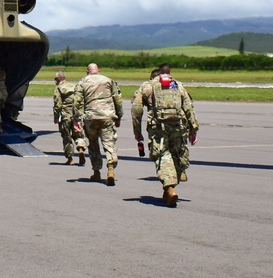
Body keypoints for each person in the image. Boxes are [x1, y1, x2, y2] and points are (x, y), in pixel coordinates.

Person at [132, 64, 199, 207]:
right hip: (178, 126)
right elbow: (189, 107)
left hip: (158, 127)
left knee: (162, 155)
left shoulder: (147, 87)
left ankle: (169, 187)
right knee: (178, 154)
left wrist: (137, 131)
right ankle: (172, 184)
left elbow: (136, 109)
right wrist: (193, 129)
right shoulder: (177, 85)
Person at [73, 63, 123, 185]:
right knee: (109, 142)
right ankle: (111, 166)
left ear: (87, 71)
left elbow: (77, 102)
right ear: (98, 70)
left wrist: (76, 119)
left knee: (93, 144)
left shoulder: (82, 82)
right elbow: (117, 99)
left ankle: (96, 172)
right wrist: (118, 116)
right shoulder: (108, 80)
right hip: (107, 115)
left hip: (91, 117)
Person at [52, 71, 86, 165]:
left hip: (65, 116)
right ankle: (80, 148)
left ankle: (70, 158)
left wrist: (56, 116)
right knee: (78, 135)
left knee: (66, 137)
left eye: (55, 79)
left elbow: (58, 104)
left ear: (59, 78)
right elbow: (81, 100)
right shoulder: (75, 86)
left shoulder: (59, 88)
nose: (55, 81)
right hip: (76, 116)